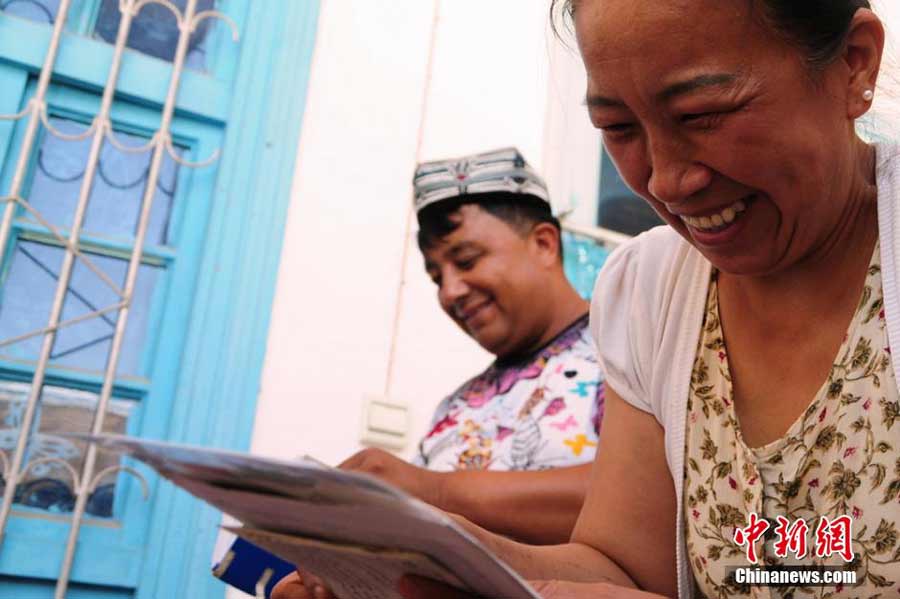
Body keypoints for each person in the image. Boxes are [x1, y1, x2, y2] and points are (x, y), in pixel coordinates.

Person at [397, 1, 900, 598]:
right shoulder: (651, 292)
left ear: (853, 63)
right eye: (618, 128)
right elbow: (625, 568)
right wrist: (441, 555)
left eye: (702, 114)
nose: (664, 180)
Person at [272, 147, 606, 598]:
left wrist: (434, 492)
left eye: (466, 261)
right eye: (436, 277)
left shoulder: (627, 353)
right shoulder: (458, 406)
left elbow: (646, 504)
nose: (450, 291)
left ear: (544, 244)